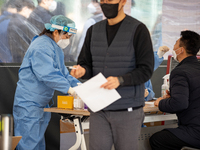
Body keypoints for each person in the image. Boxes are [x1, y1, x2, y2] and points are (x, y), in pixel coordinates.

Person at [71, 0, 154, 149]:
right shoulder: (93, 30)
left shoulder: (138, 30)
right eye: (102, 0)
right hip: (99, 109)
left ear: (123, 1)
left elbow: (145, 70)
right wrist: (82, 71)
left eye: (110, 0)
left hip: (127, 109)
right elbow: (86, 64)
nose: (105, 3)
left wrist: (121, 80)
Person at [13, 15, 80, 150]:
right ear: (56, 32)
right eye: (66, 37)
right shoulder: (41, 46)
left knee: (37, 144)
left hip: (41, 105)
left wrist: (79, 86)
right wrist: (70, 90)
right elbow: (47, 74)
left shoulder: (55, 48)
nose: (67, 41)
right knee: (28, 145)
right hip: (29, 105)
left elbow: (63, 74)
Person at [150, 30, 200, 150]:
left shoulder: (180, 72)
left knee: (157, 140)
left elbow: (179, 104)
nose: (173, 48)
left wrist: (161, 102)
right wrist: (173, 97)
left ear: (181, 50)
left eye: (175, 45)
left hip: (195, 131)